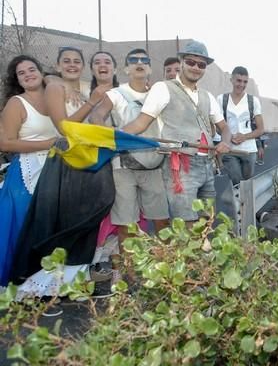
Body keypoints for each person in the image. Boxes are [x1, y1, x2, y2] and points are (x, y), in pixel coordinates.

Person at [9, 47, 115, 298]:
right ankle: (36, 291)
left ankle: (68, 286)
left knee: (78, 226)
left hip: (80, 167)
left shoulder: (82, 90)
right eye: (66, 61)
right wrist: (91, 103)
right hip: (57, 167)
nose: (71, 65)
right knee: (52, 228)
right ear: (57, 65)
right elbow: (64, 127)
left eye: (77, 61)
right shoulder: (56, 87)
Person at [122, 41, 231, 222]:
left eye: (201, 65)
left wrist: (225, 142)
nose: (196, 67)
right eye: (190, 62)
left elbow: (224, 127)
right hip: (180, 168)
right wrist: (115, 136)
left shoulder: (207, 96)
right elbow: (141, 123)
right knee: (186, 224)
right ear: (181, 62)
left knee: (206, 222)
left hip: (208, 166)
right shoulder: (163, 88)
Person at [90, 49, 170, 280]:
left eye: (144, 60)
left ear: (150, 68)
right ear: (125, 68)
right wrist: (108, 132)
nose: (139, 63)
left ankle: (167, 271)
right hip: (122, 166)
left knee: (162, 220)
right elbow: (98, 115)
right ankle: (129, 276)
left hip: (154, 165)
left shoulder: (160, 93)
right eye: (133, 60)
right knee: (126, 223)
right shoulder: (116, 93)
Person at [0, 56, 58, 286]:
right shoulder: (16, 103)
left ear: (41, 71)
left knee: (52, 229)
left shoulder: (56, 96)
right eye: (21, 73)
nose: (28, 74)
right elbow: (5, 144)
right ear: (17, 80)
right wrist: (47, 144)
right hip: (26, 176)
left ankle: (49, 287)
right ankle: (24, 289)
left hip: (56, 171)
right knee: (26, 230)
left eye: (32, 69)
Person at [217, 66, 264, 185]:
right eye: (238, 80)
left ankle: (242, 203)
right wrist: (227, 136)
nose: (241, 85)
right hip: (230, 150)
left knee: (247, 183)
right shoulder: (222, 99)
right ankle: (236, 202)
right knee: (237, 182)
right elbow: (217, 125)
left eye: (245, 82)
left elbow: (260, 129)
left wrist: (244, 136)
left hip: (249, 150)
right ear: (231, 80)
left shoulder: (253, 101)